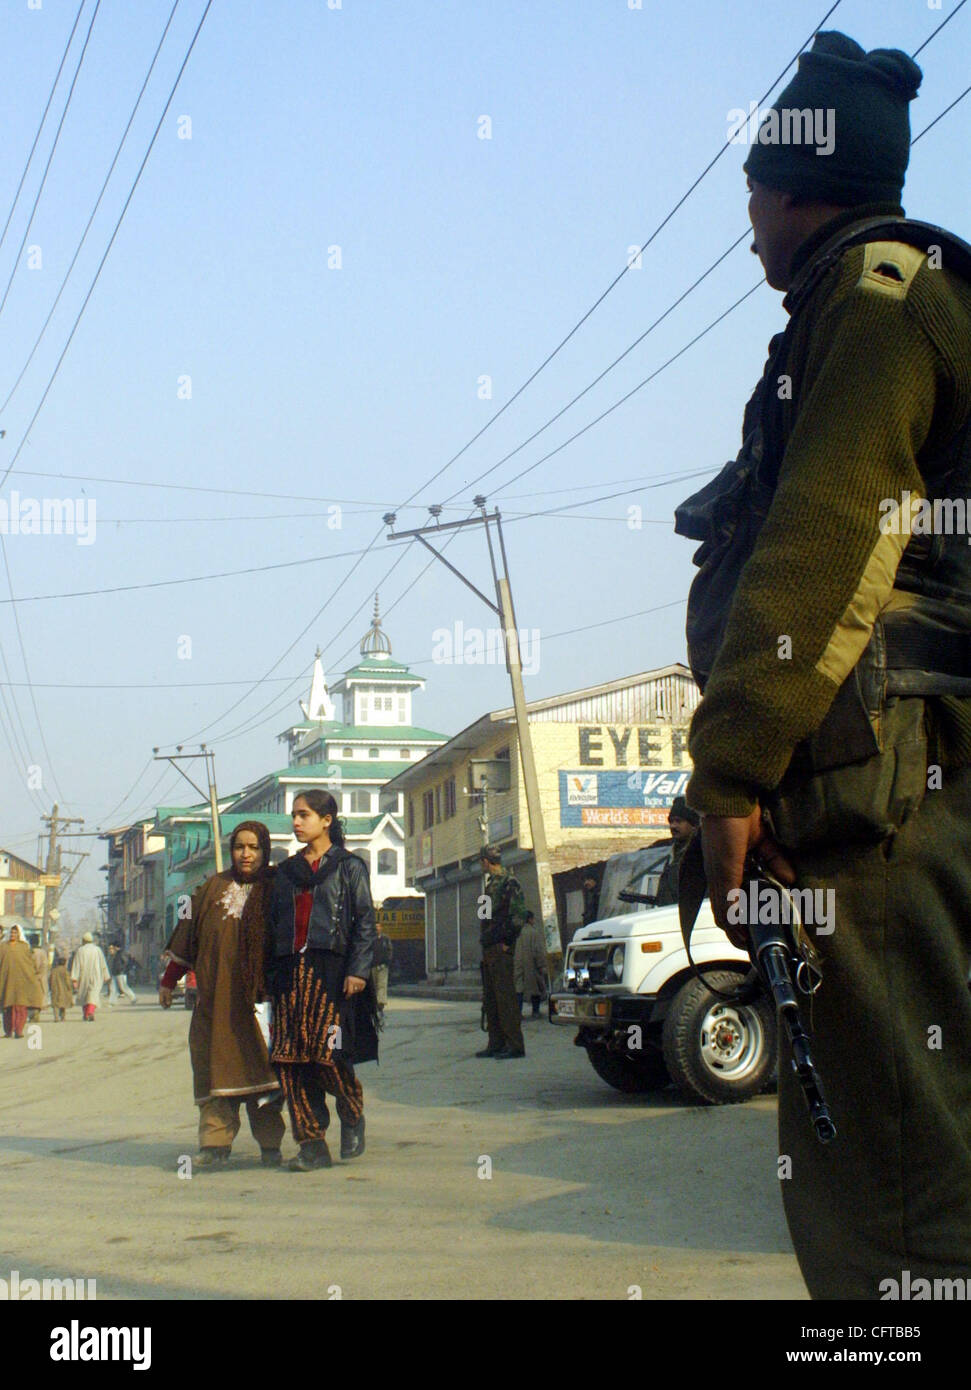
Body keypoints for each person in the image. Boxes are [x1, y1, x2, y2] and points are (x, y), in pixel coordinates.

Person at [674, 31, 971, 1299]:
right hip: (876, 784)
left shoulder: (875, 298)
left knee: (894, 1163)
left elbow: (828, 541)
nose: (743, 217)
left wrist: (728, 773)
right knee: (888, 1127)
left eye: (752, 187)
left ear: (796, 187)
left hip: (880, 805)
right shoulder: (859, 304)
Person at [160, 821, 285, 1170]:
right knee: (215, 1070)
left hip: (261, 1004)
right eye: (239, 847)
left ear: (265, 849)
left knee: (264, 1075)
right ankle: (215, 1143)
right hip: (215, 1003)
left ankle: (271, 1145)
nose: (246, 854)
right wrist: (170, 981)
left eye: (254, 847)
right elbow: (187, 936)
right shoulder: (211, 888)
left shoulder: (277, 889)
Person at [268, 791, 378, 1172]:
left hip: (331, 978)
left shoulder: (350, 867)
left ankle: (351, 1111)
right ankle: (312, 1144)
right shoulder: (285, 872)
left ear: (327, 819)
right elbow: (271, 926)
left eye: (304, 815)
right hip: (288, 979)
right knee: (290, 1061)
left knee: (329, 1054)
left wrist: (358, 970)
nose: (296, 823)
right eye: (293, 816)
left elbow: (365, 921)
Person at [475, 845, 527, 1059]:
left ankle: (515, 1045)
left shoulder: (509, 882)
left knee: (505, 998)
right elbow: (483, 917)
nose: (481, 865)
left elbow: (518, 916)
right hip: (489, 948)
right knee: (491, 999)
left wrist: (507, 942)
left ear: (487, 861)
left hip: (501, 947)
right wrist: (484, 943)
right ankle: (495, 1043)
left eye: (481, 861)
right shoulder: (489, 885)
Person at [652, 796, 699, 907]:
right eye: (671, 821)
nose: (673, 826)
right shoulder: (663, 847)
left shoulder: (701, 853)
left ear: (694, 825)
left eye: (678, 821)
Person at [0, 924, 44, 1037]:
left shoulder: (24, 947)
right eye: (11, 933)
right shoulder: (3, 947)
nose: (13, 935)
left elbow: (29, 963)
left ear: (19, 934)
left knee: (20, 1007)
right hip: (6, 981)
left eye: (15, 933)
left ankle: (19, 1030)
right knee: (8, 1008)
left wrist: (32, 977)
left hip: (21, 982)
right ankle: (8, 1031)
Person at [70, 932, 110, 1023]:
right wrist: (106, 975)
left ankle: (87, 1013)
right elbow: (103, 963)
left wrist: (74, 978)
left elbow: (76, 965)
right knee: (93, 994)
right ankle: (90, 1012)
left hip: (83, 975)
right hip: (96, 975)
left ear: (83, 941)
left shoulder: (80, 950)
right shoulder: (97, 950)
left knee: (84, 995)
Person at [514, 909, 547, 1019]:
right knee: (535, 988)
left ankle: (518, 1012)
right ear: (530, 919)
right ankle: (535, 1011)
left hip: (518, 964)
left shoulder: (517, 933)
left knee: (519, 988)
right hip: (531, 964)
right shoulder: (534, 932)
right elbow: (538, 950)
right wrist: (541, 965)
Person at [26, 932, 49, 1021]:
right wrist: (40, 974)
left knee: (31, 997)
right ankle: (36, 1014)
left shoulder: (29, 951)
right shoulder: (42, 952)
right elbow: (44, 965)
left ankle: (33, 1015)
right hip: (40, 978)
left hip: (30, 978)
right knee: (39, 997)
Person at [371, 921, 393, 1014]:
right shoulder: (371, 939)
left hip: (383, 966)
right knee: (374, 985)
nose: (377, 928)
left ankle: (381, 1002)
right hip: (372, 966)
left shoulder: (385, 939)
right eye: (375, 927)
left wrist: (388, 961)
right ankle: (374, 1003)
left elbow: (390, 950)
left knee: (382, 984)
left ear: (381, 928)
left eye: (379, 926)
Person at [49, 952, 74, 1021]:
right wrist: (70, 988)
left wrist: (50, 987)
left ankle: (56, 1017)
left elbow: (50, 980)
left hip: (55, 990)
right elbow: (68, 981)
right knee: (63, 1004)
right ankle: (63, 1017)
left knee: (55, 1005)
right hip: (64, 990)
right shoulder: (66, 971)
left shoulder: (54, 971)